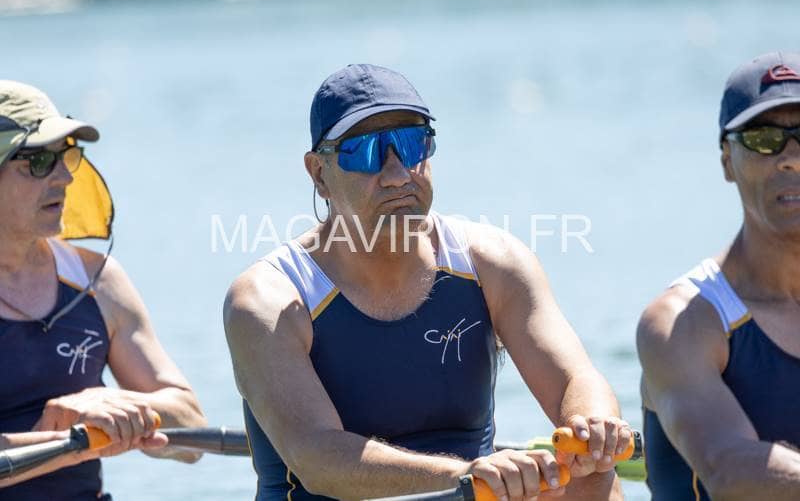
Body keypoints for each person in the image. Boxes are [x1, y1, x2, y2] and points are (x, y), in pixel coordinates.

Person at [225, 64, 632, 500]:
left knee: (595, 475)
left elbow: (575, 379)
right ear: (319, 174)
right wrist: (466, 474)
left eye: (411, 143)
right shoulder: (267, 301)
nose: (398, 174)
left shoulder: (494, 263)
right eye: (365, 152)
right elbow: (318, 457)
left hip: (471, 489)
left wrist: (593, 426)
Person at [0, 81, 207, 499]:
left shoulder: (98, 280)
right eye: (39, 161)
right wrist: (69, 442)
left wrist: (116, 406)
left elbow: (192, 431)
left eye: (67, 156)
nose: (64, 177)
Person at [637, 51, 800, 500]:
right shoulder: (680, 322)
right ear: (727, 160)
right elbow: (729, 469)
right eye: (765, 139)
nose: (791, 158)